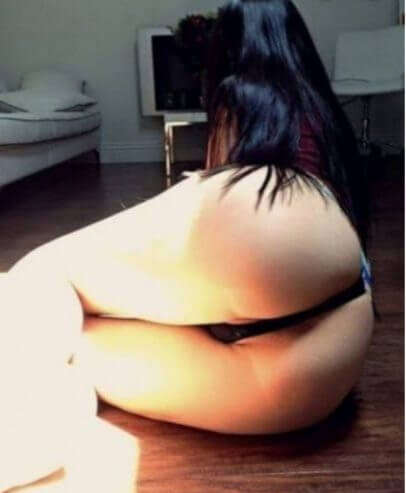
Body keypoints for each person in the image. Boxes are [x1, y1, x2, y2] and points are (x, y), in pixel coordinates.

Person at [3, 0, 373, 452]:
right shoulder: (319, 100)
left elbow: (227, 179)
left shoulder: (239, 92)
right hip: (330, 359)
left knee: (46, 274)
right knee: (82, 342)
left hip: (263, 222)